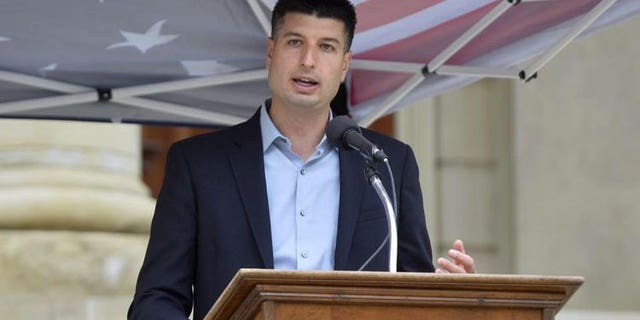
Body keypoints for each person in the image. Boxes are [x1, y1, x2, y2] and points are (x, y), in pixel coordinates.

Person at [128, 1, 475, 319]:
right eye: (295, 42)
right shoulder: (198, 164)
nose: (308, 60)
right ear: (270, 52)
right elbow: (156, 299)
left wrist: (450, 295)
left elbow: (413, 296)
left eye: (326, 47)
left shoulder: (388, 165)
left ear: (344, 65)